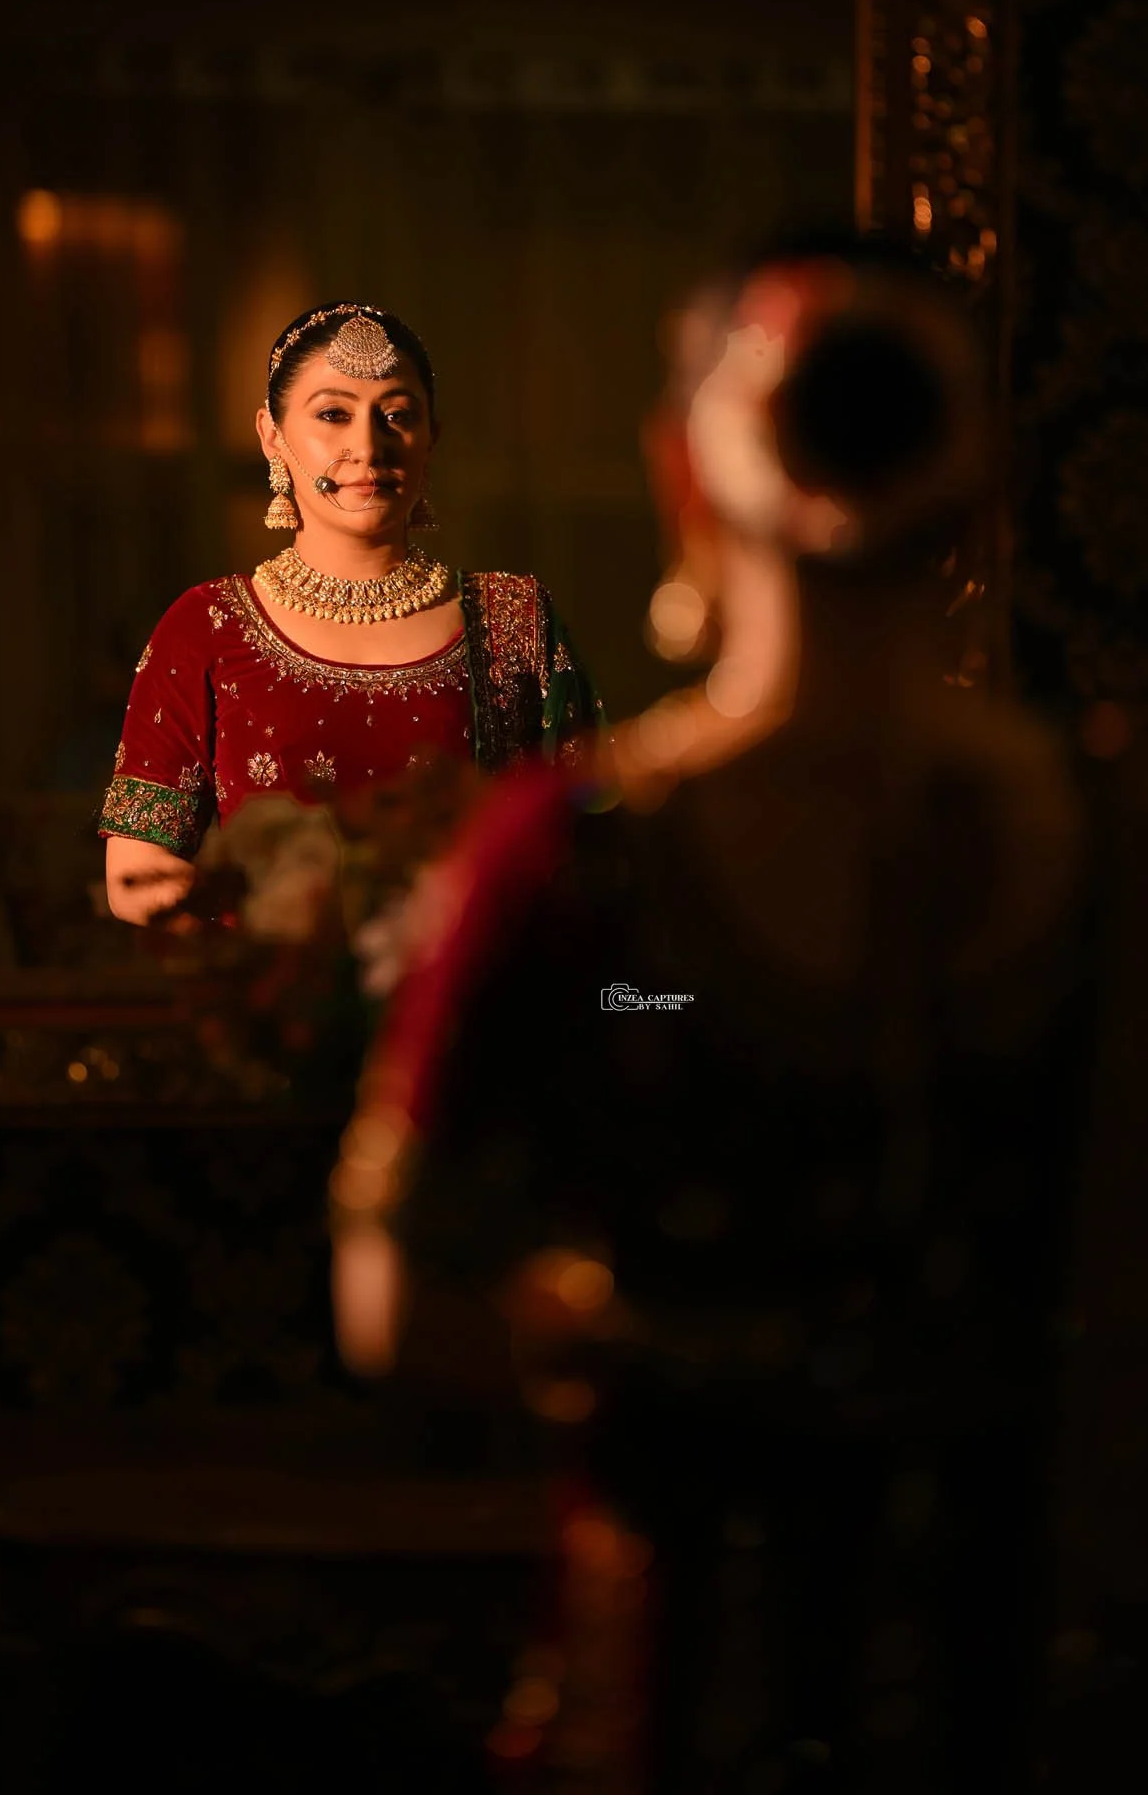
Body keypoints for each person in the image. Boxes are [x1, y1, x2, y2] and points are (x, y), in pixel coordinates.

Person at [332, 243, 1093, 1790]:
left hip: (1026, 1677)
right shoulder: (587, 867)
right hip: (698, 1682)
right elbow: (400, 1287)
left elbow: (397, 1292)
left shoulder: (1098, 839)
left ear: (678, 470)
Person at [101, 301, 600, 925]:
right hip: (286, 1002)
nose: (368, 445)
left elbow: (588, 844)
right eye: (333, 415)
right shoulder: (207, 627)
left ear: (431, 440)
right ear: (271, 436)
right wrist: (289, 953)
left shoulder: (513, 619)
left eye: (397, 416)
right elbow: (136, 874)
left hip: (466, 1003)